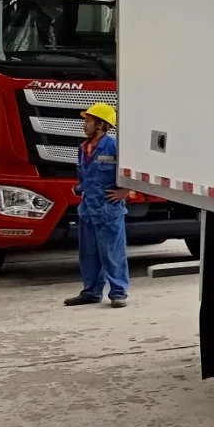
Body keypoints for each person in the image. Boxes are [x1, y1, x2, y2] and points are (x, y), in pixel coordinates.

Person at [64, 102, 130, 307]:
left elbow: (130, 172)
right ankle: (91, 292)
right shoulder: (83, 148)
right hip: (88, 210)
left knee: (112, 253)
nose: (84, 125)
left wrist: (125, 191)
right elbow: (88, 176)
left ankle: (118, 293)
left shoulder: (114, 146)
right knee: (88, 254)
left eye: (88, 121)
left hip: (108, 210)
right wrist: (79, 188)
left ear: (101, 124)